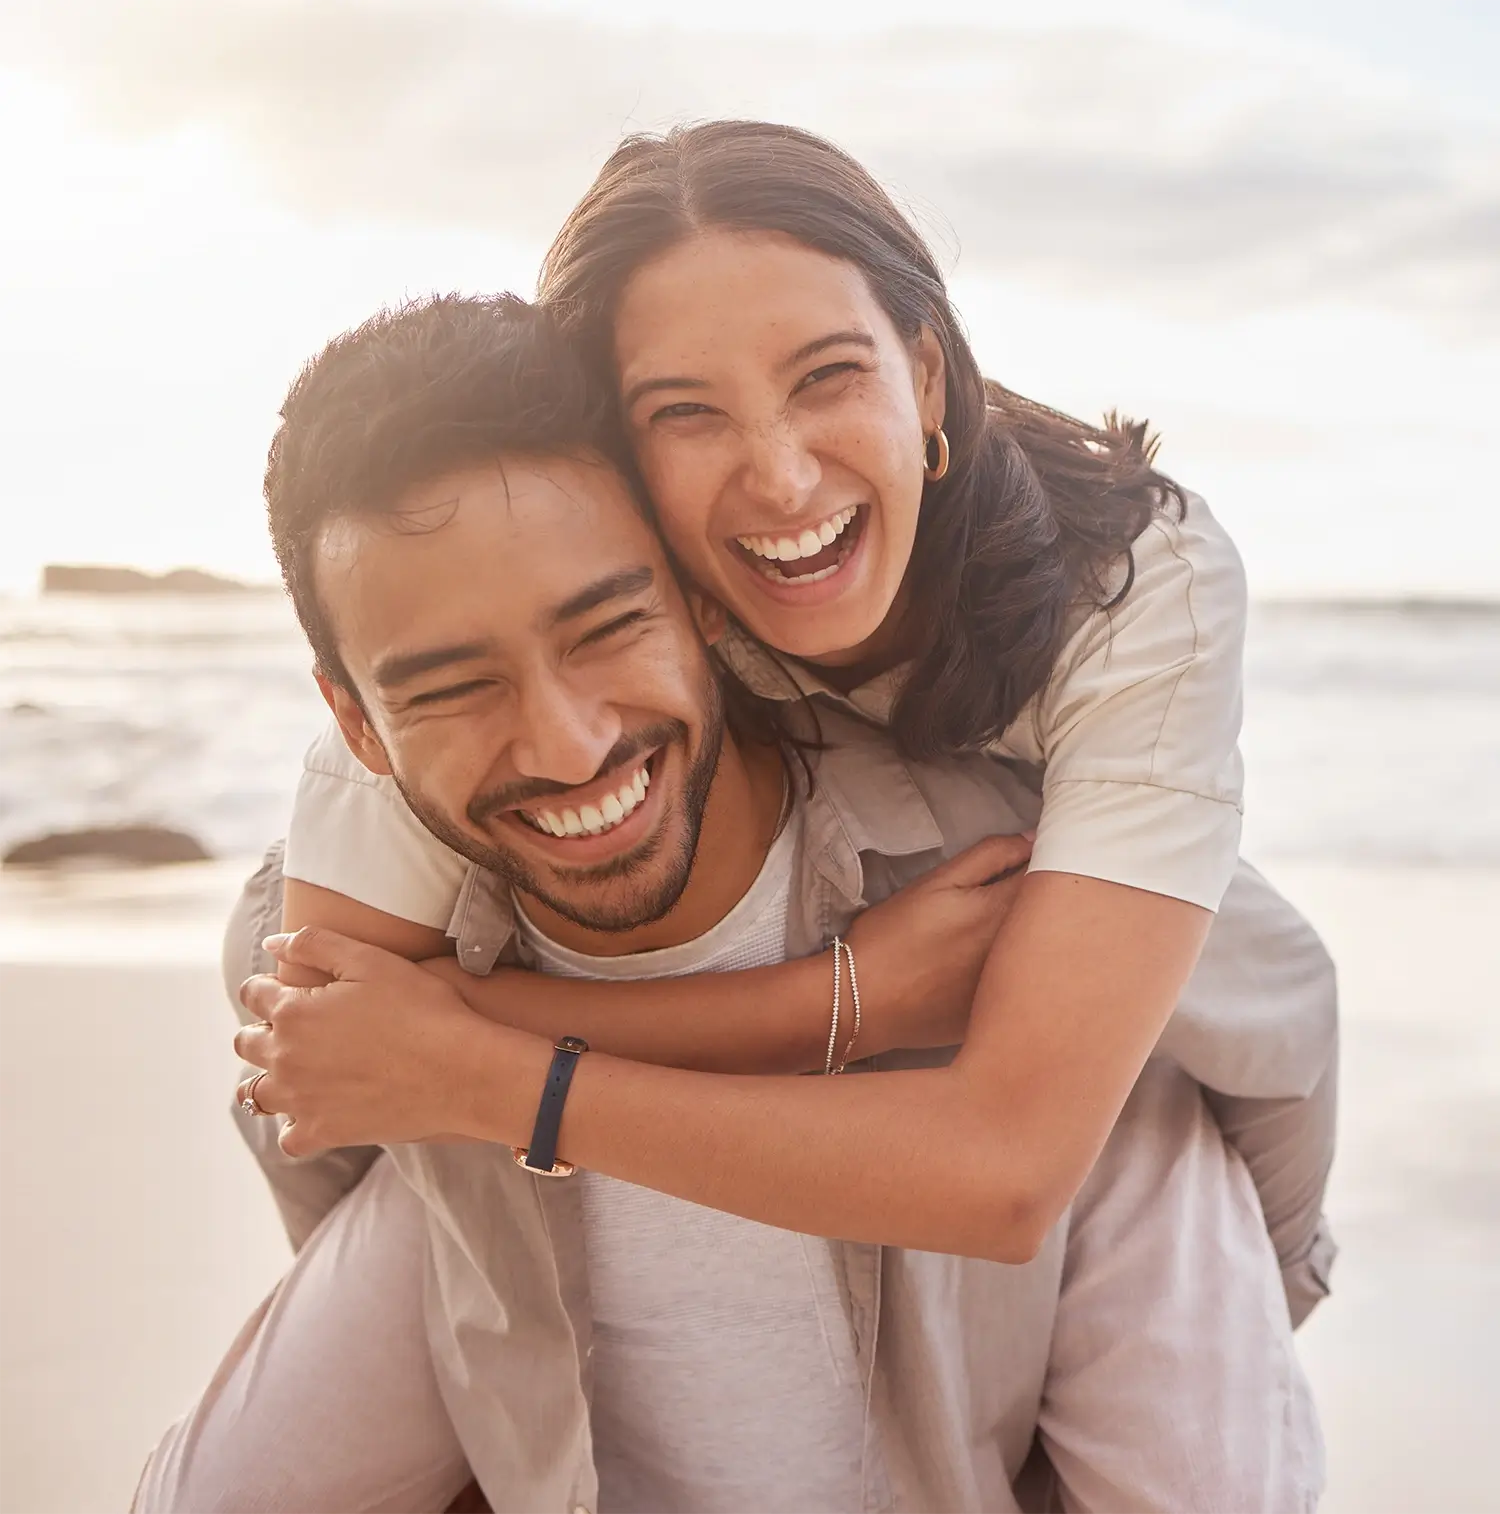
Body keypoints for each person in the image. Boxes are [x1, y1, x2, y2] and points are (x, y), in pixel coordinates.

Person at [138, 293, 1322, 1513]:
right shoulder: (391, 1005)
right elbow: (316, 1106)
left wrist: (826, 1004)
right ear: (355, 722)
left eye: (607, 626)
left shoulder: (1023, 922)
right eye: (450, 688)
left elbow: (1277, 1039)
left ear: (706, 597)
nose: (565, 744)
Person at [243, 121, 1337, 1319]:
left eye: (827, 377)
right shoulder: (574, 595)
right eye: (685, 411)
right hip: (860, 933)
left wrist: (504, 1078)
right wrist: (836, 999)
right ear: (612, 450)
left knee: (1228, 998)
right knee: (262, 926)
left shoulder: (1136, 584)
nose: (780, 478)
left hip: (1163, 980)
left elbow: (1008, 1166)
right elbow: (332, 1027)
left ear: (925, 375)